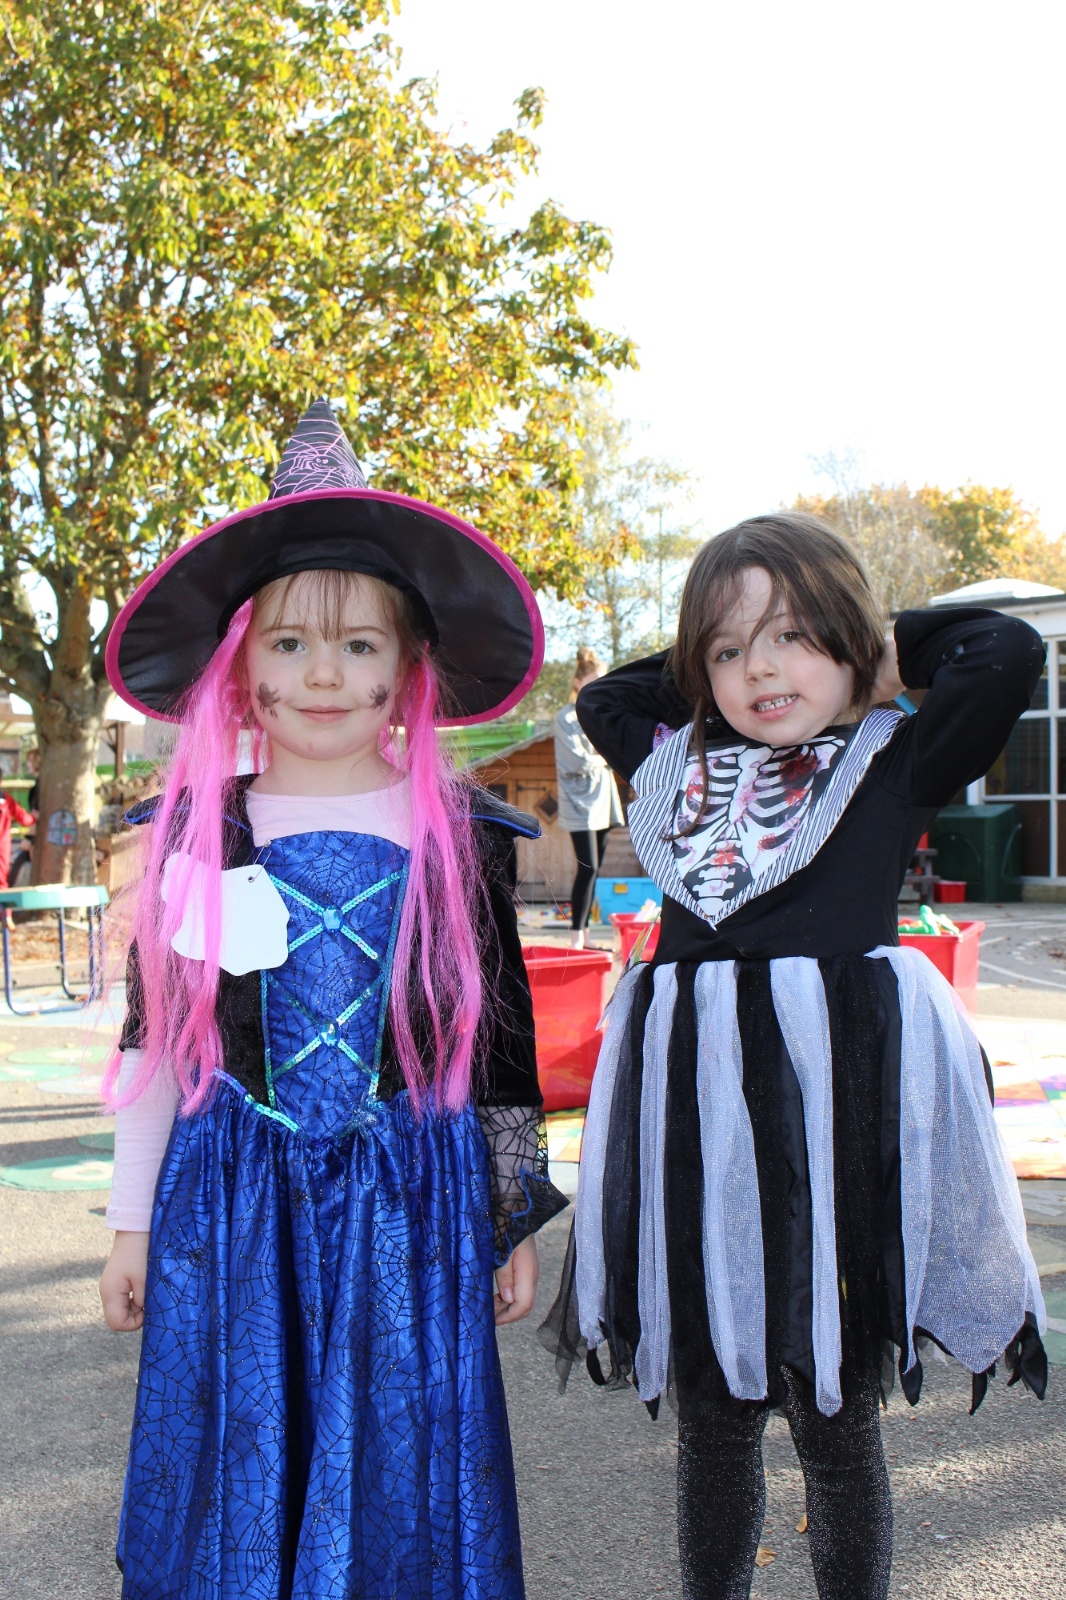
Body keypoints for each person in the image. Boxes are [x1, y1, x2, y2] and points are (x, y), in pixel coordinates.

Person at [98, 400, 568, 1599]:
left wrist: (508, 1213)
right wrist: (131, 1222)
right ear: (240, 666)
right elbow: (157, 1041)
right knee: (244, 1461)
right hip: (233, 1202)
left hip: (407, 1202)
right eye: (290, 643)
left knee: (395, 1461)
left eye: (359, 645)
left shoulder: (457, 832)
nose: (323, 673)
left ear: (408, 669)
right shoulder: (198, 831)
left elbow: (499, 1038)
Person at [541, 512, 1047, 1600]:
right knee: (715, 1417)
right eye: (729, 651)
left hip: (833, 1132)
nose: (761, 668)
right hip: (699, 1131)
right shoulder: (676, 765)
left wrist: (869, 649)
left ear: (855, 646)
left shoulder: (892, 755)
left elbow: (1004, 648)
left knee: (835, 1412)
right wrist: (721, 662)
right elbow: (607, 696)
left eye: (791, 638)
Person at [553, 646, 623, 947]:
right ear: (578, 682)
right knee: (588, 867)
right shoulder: (565, 717)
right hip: (579, 802)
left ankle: (587, 935)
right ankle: (575, 938)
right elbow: (576, 762)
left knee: (596, 871)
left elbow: (616, 746)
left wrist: (605, 756)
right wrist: (604, 758)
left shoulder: (600, 713)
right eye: (593, 681)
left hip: (604, 799)